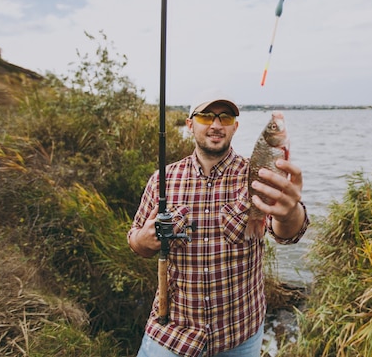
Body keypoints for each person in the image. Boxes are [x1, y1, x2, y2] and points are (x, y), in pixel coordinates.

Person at [128, 92, 309, 357]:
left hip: (239, 334)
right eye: (205, 116)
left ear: (235, 126)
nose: (216, 124)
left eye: (225, 117)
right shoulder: (161, 180)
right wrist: (142, 241)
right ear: (190, 124)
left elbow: (287, 234)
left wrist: (289, 212)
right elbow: (135, 240)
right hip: (172, 333)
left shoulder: (257, 174)